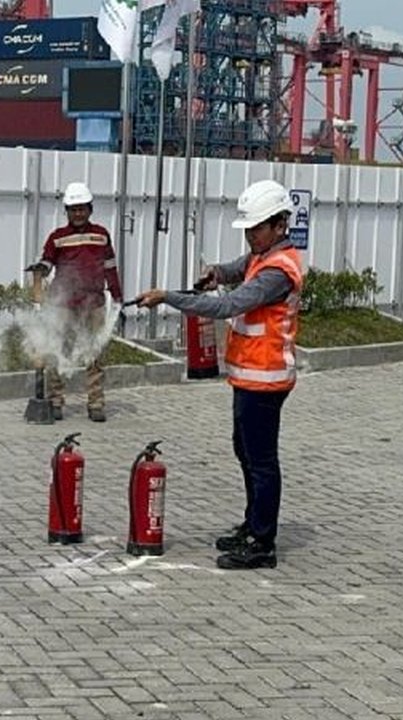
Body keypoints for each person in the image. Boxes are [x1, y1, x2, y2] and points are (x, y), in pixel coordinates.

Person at [134, 179, 304, 570]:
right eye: (247, 229)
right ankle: (252, 523)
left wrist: (170, 297)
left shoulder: (279, 271)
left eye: (256, 228)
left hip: (267, 377)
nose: (250, 236)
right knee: (244, 451)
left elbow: (229, 306)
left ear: (280, 225)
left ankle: (263, 542)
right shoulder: (263, 256)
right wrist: (215, 273)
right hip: (249, 375)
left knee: (261, 461)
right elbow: (237, 270)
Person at [29, 181, 125, 423]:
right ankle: (56, 400)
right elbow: (48, 262)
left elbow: (110, 268)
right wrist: (41, 269)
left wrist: (118, 298)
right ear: (67, 212)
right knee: (57, 350)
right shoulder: (57, 238)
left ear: (90, 209)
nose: (78, 213)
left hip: (93, 303)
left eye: (82, 208)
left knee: (94, 354)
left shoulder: (101, 235)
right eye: (73, 209)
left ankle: (96, 402)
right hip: (63, 304)